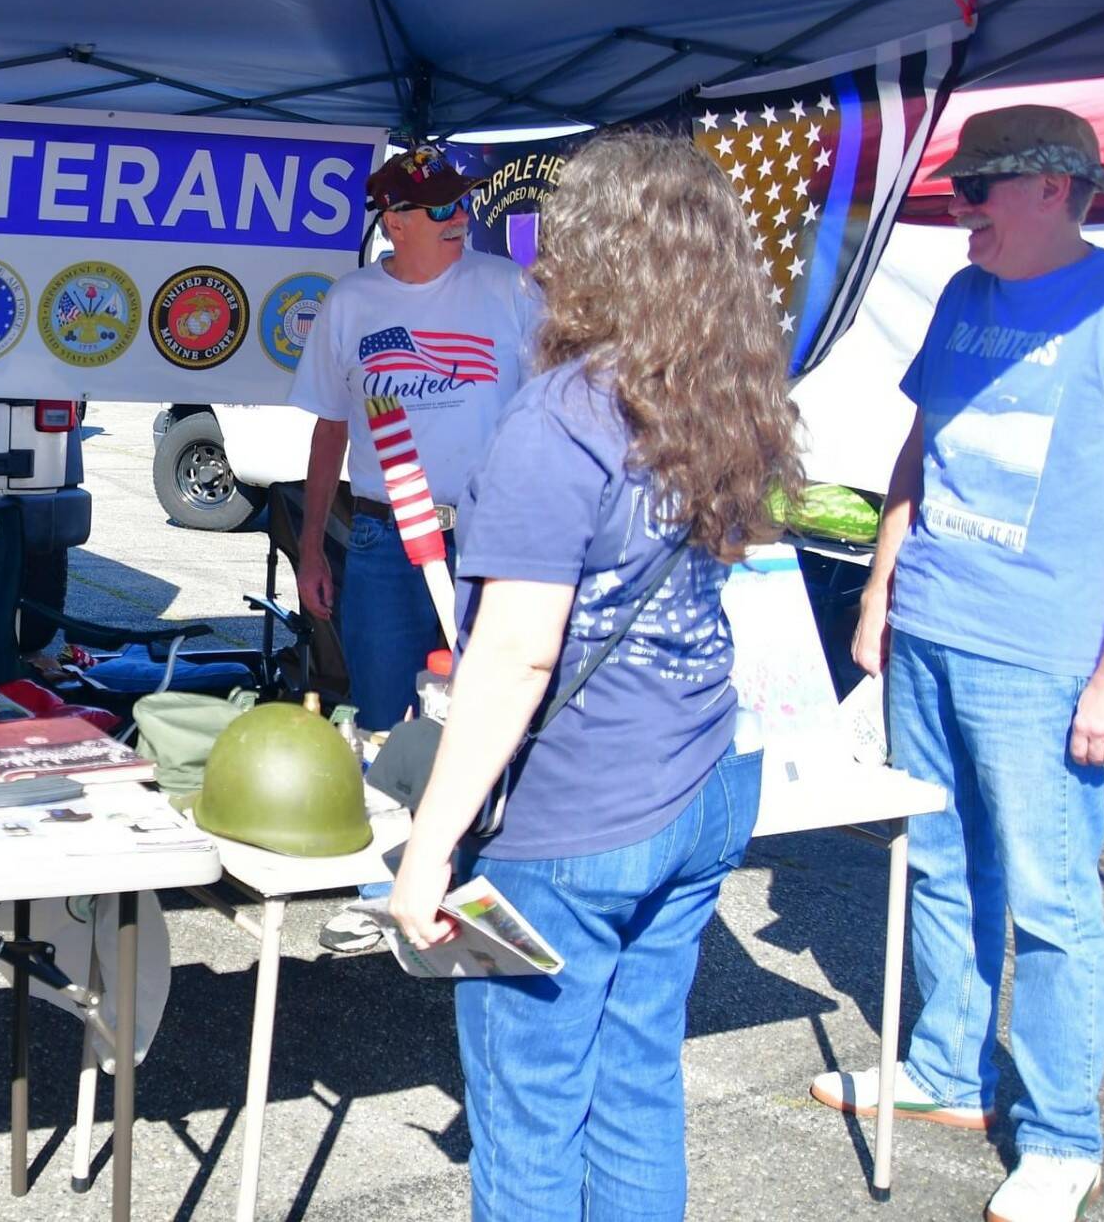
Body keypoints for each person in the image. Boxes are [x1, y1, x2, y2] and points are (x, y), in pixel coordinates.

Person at [388, 130, 801, 1221]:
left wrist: (426, 851)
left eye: (556, 240)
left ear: (601, 257)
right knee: (635, 1084)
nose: (537, 264)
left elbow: (518, 654)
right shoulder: (723, 391)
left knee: (530, 1111)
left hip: (577, 817)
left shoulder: (560, 415)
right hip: (703, 779)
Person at [808, 105, 1104, 1222]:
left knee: (1054, 901)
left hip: (1044, 657)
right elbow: (920, 446)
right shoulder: (968, 293)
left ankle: (1064, 1134)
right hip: (930, 627)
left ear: (1056, 188)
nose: (957, 211)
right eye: (955, 193)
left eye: (978, 193)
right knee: (941, 865)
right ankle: (947, 1071)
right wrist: (879, 587)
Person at [289, 141, 544, 952]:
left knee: (491, 700)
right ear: (393, 220)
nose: (458, 216)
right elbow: (330, 427)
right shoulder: (352, 302)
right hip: (380, 529)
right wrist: (308, 549)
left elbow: (556, 408)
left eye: (461, 201)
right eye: (438, 206)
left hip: (490, 532)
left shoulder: (511, 289)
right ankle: (380, 884)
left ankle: (480, 873)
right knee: (382, 715)